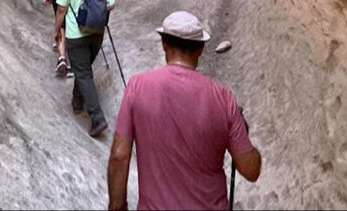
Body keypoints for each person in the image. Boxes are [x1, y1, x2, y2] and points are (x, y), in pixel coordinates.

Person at [107, 11, 261, 210]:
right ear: (201, 49)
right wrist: (242, 130)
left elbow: (119, 155)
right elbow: (251, 170)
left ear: (164, 44)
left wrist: (117, 206)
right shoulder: (224, 100)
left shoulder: (137, 87)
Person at [54, 0, 115, 137]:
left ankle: (97, 119)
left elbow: (61, 9)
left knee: (83, 72)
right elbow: (111, 3)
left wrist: (56, 30)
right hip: (96, 34)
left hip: (76, 35)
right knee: (84, 69)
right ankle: (77, 101)